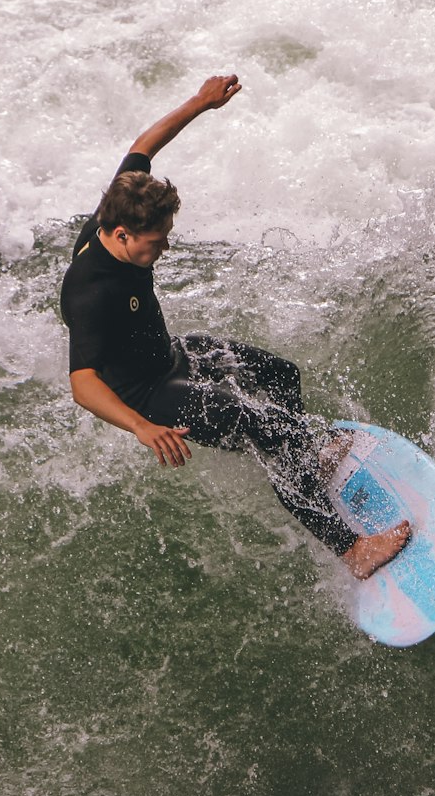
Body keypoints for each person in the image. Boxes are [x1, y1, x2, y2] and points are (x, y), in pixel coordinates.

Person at [60, 74, 410, 579]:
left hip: (170, 353)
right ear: (120, 234)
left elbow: (143, 146)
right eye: (156, 242)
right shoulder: (91, 290)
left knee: (281, 375)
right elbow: (83, 384)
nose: (164, 249)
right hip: (149, 392)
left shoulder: (120, 204)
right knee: (267, 433)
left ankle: (307, 461)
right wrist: (144, 428)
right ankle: (353, 550)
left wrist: (201, 104)